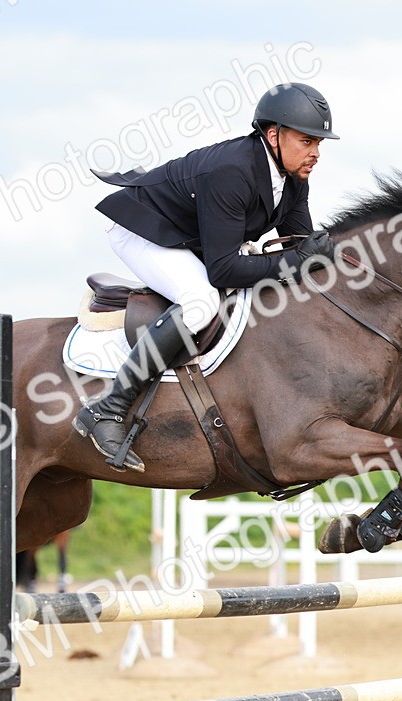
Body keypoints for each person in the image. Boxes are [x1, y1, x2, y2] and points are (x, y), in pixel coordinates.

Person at [73, 82, 340, 472]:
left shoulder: (293, 180)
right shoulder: (233, 171)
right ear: (273, 135)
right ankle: (107, 409)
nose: (315, 153)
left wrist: (323, 260)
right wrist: (300, 262)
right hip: (145, 229)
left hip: (190, 236)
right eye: (306, 141)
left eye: (319, 143)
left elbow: (296, 247)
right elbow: (225, 269)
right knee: (200, 302)